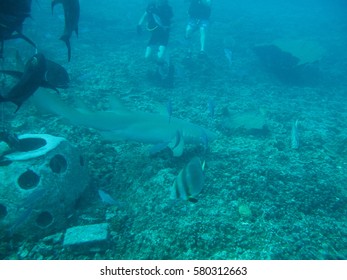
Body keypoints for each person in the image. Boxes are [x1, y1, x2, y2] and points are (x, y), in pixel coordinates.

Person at [137, 0, 173, 65]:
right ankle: (160, 60)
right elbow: (144, 15)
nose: (160, 2)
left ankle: (164, 63)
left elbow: (169, 22)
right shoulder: (151, 7)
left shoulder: (167, 9)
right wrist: (139, 25)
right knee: (147, 57)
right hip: (154, 35)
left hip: (164, 36)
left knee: (159, 58)